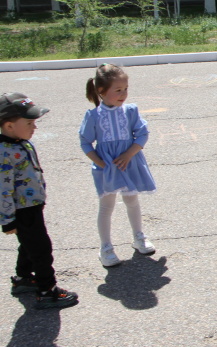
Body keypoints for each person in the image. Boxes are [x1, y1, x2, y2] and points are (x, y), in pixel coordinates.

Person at [1, 93, 79, 309]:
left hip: (32, 206)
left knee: (28, 246)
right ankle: (47, 291)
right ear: (8, 126)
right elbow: (3, 190)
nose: (34, 127)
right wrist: (7, 220)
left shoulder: (20, 142)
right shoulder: (3, 153)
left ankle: (23, 278)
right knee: (41, 249)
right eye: (28, 123)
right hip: (23, 210)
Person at [79, 64, 157, 267]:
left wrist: (128, 154)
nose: (124, 94)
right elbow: (85, 142)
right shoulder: (94, 116)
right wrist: (101, 163)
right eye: (118, 90)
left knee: (132, 200)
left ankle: (139, 237)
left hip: (129, 163)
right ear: (101, 91)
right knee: (107, 206)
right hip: (108, 168)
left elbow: (142, 134)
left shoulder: (130, 111)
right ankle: (106, 248)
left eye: (126, 88)